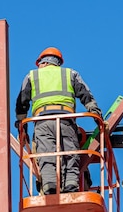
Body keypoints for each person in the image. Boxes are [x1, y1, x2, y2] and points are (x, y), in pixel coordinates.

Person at [15, 46, 102, 195]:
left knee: (46, 154)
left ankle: (50, 187)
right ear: (58, 62)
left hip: (43, 121)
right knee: (70, 153)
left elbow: (22, 103)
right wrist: (97, 116)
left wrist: (22, 127)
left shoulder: (32, 76)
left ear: (42, 62)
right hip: (66, 120)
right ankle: (70, 186)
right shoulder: (70, 74)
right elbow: (86, 95)